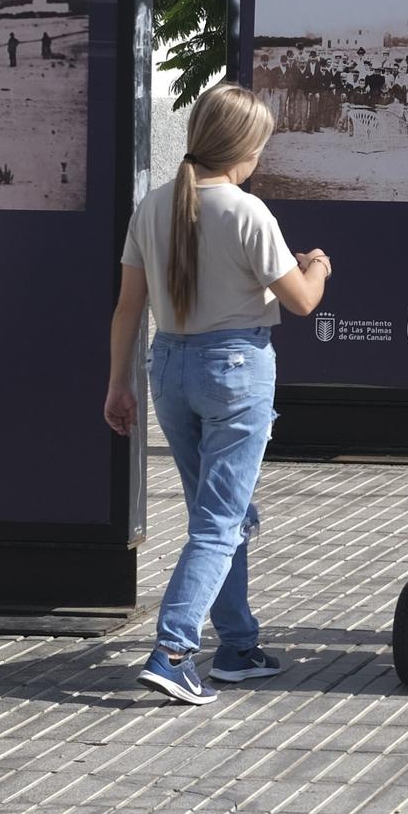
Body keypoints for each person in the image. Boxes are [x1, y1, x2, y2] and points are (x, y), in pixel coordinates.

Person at [104, 83, 334, 706]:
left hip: (169, 366)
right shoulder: (247, 211)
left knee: (219, 515)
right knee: (220, 521)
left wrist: (116, 383)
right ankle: (175, 650)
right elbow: (303, 300)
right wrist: (317, 263)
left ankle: (237, 644)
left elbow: (129, 307)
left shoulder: (153, 205)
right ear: (243, 148)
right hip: (235, 366)